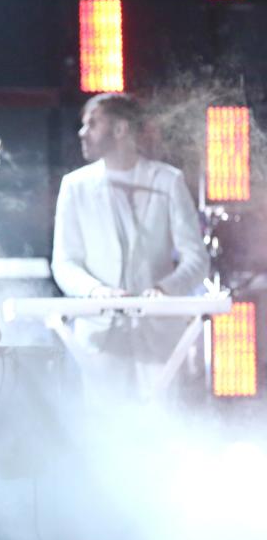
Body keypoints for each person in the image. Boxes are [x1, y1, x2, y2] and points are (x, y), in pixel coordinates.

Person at [51, 92, 210, 402]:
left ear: (121, 129)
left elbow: (195, 258)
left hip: (159, 336)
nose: (83, 133)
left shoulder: (167, 181)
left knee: (164, 429)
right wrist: (98, 292)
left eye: (92, 124)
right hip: (99, 335)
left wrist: (165, 289)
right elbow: (64, 263)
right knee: (104, 432)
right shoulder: (75, 186)